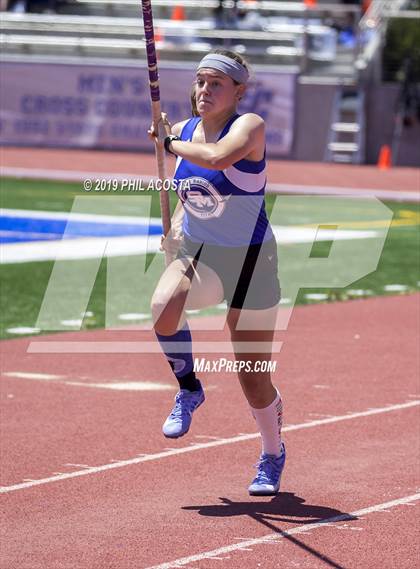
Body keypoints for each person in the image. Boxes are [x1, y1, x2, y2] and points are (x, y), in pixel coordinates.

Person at [148, 49, 285, 496]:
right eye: (201, 82)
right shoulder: (185, 131)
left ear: (238, 91)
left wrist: (167, 143)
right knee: (164, 307)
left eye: (216, 84)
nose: (205, 90)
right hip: (202, 253)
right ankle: (189, 388)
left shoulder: (250, 127)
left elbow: (216, 159)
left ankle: (271, 453)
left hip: (251, 262)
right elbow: (194, 196)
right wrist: (172, 231)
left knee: (253, 376)